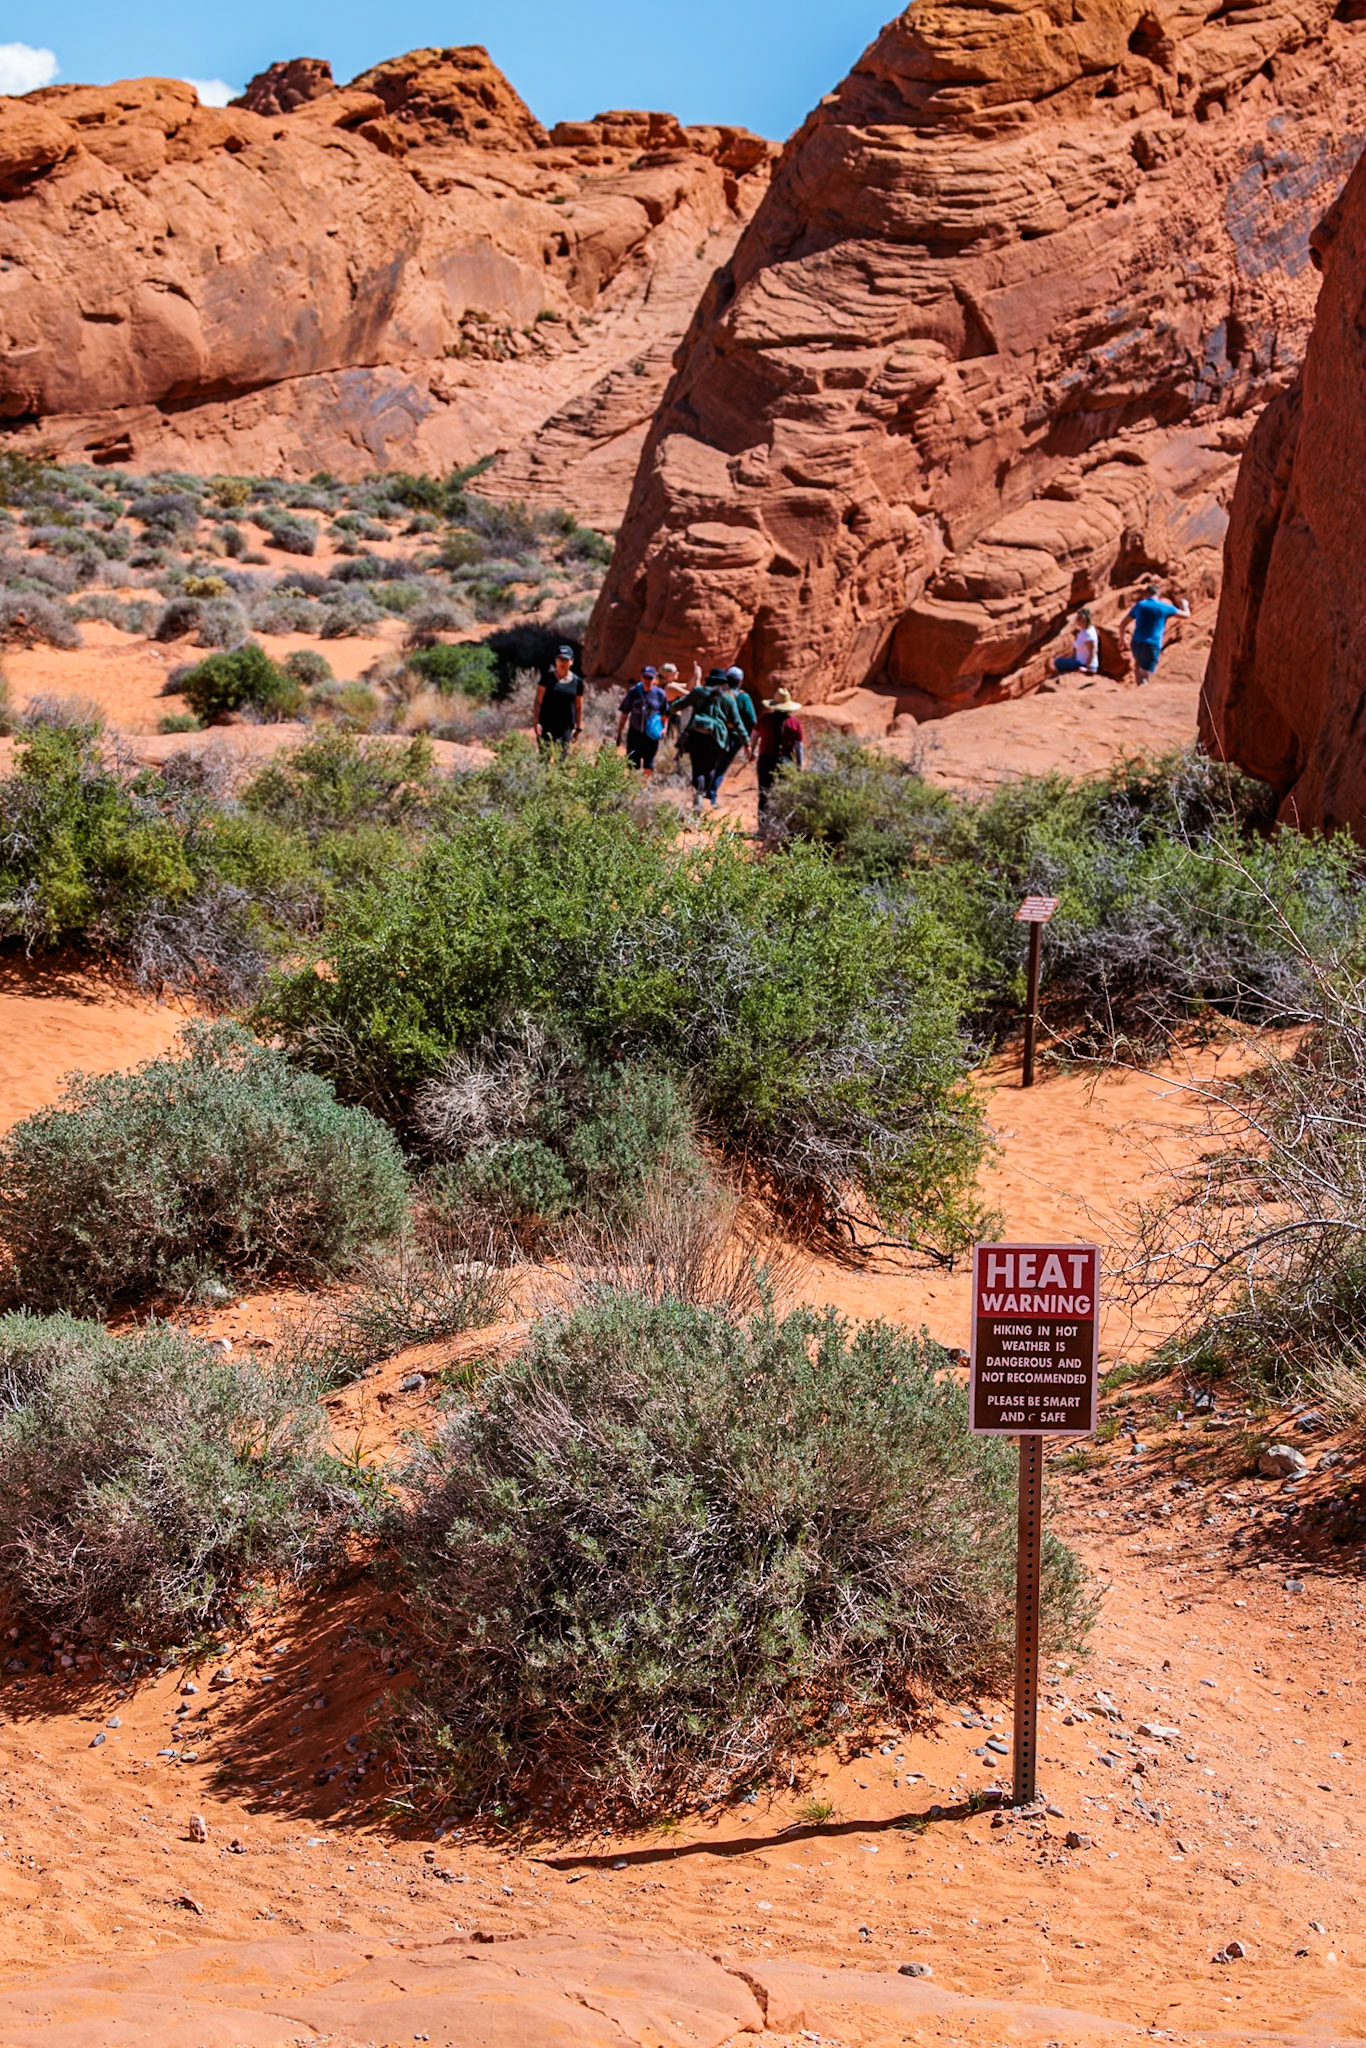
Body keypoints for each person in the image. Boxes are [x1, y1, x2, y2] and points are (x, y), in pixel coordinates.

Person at [667, 668, 748, 809]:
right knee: (710, 767)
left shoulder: (699, 692)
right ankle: (703, 793)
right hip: (717, 738)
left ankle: (698, 795)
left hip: (696, 735)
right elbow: (737, 722)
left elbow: (680, 704)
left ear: (709, 680)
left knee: (697, 767)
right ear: (724, 683)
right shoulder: (728, 698)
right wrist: (746, 742)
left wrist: (667, 713)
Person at [1122, 581, 1190, 685]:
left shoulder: (1140, 605)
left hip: (1136, 642)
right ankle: (1143, 691)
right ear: (1158, 594)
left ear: (1146, 594)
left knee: (1137, 666)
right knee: (1145, 672)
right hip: (1152, 643)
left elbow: (1123, 623)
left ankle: (1139, 690)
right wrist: (1185, 605)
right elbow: (1186, 615)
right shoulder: (1164, 607)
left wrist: (1122, 639)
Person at [751, 687, 804, 817]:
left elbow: (754, 736)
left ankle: (763, 824)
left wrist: (752, 751)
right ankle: (782, 824)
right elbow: (799, 747)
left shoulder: (764, 719)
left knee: (764, 792)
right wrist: (799, 765)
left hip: (766, 761)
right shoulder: (794, 723)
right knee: (784, 793)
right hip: (786, 762)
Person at [710, 664, 756, 800]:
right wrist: (746, 737)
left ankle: (703, 790)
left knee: (711, 762)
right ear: (740, 681)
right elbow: (752, 719)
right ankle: (711, 794)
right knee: (722, 766)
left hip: (716, 733)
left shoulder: (719, 694)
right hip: (734, 737)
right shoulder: (743, 697)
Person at [615, 664, 669, 777]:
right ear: (641, 677)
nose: (647, 680)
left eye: (650, 678)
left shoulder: (660, 694)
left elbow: (665, 714)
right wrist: (619, 732)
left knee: (649, 763)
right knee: (632, 762)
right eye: (645, 677)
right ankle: (631, 786)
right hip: (635, 733)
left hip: (651, 735)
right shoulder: (633, 692)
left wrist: (664, 728)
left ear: (655, 679)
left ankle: (644, 788)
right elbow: (625, 712)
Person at [534, 644, 583, 751]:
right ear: (556, 660)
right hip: (546, 725)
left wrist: (578, 727)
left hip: (566, 728)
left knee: (561, 763)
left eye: (566, 659)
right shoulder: (546, 678)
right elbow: (538, 702)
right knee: (544, 759)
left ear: (572, 661)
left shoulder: (578, 682)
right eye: (560, 659)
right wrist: (536, 722)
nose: (562, 662)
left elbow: (578, 706)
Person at [1053, 607, 1099, 677]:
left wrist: (1087, 667)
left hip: (1084, 665)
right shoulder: (1084, 630)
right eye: (1077, 618)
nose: (1077, 620)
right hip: (1079, 661)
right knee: (1062, 661)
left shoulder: (1089, 633)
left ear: (1085, 619)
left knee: (1057, 662)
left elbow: (1093, 650)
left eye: (1079, 618)